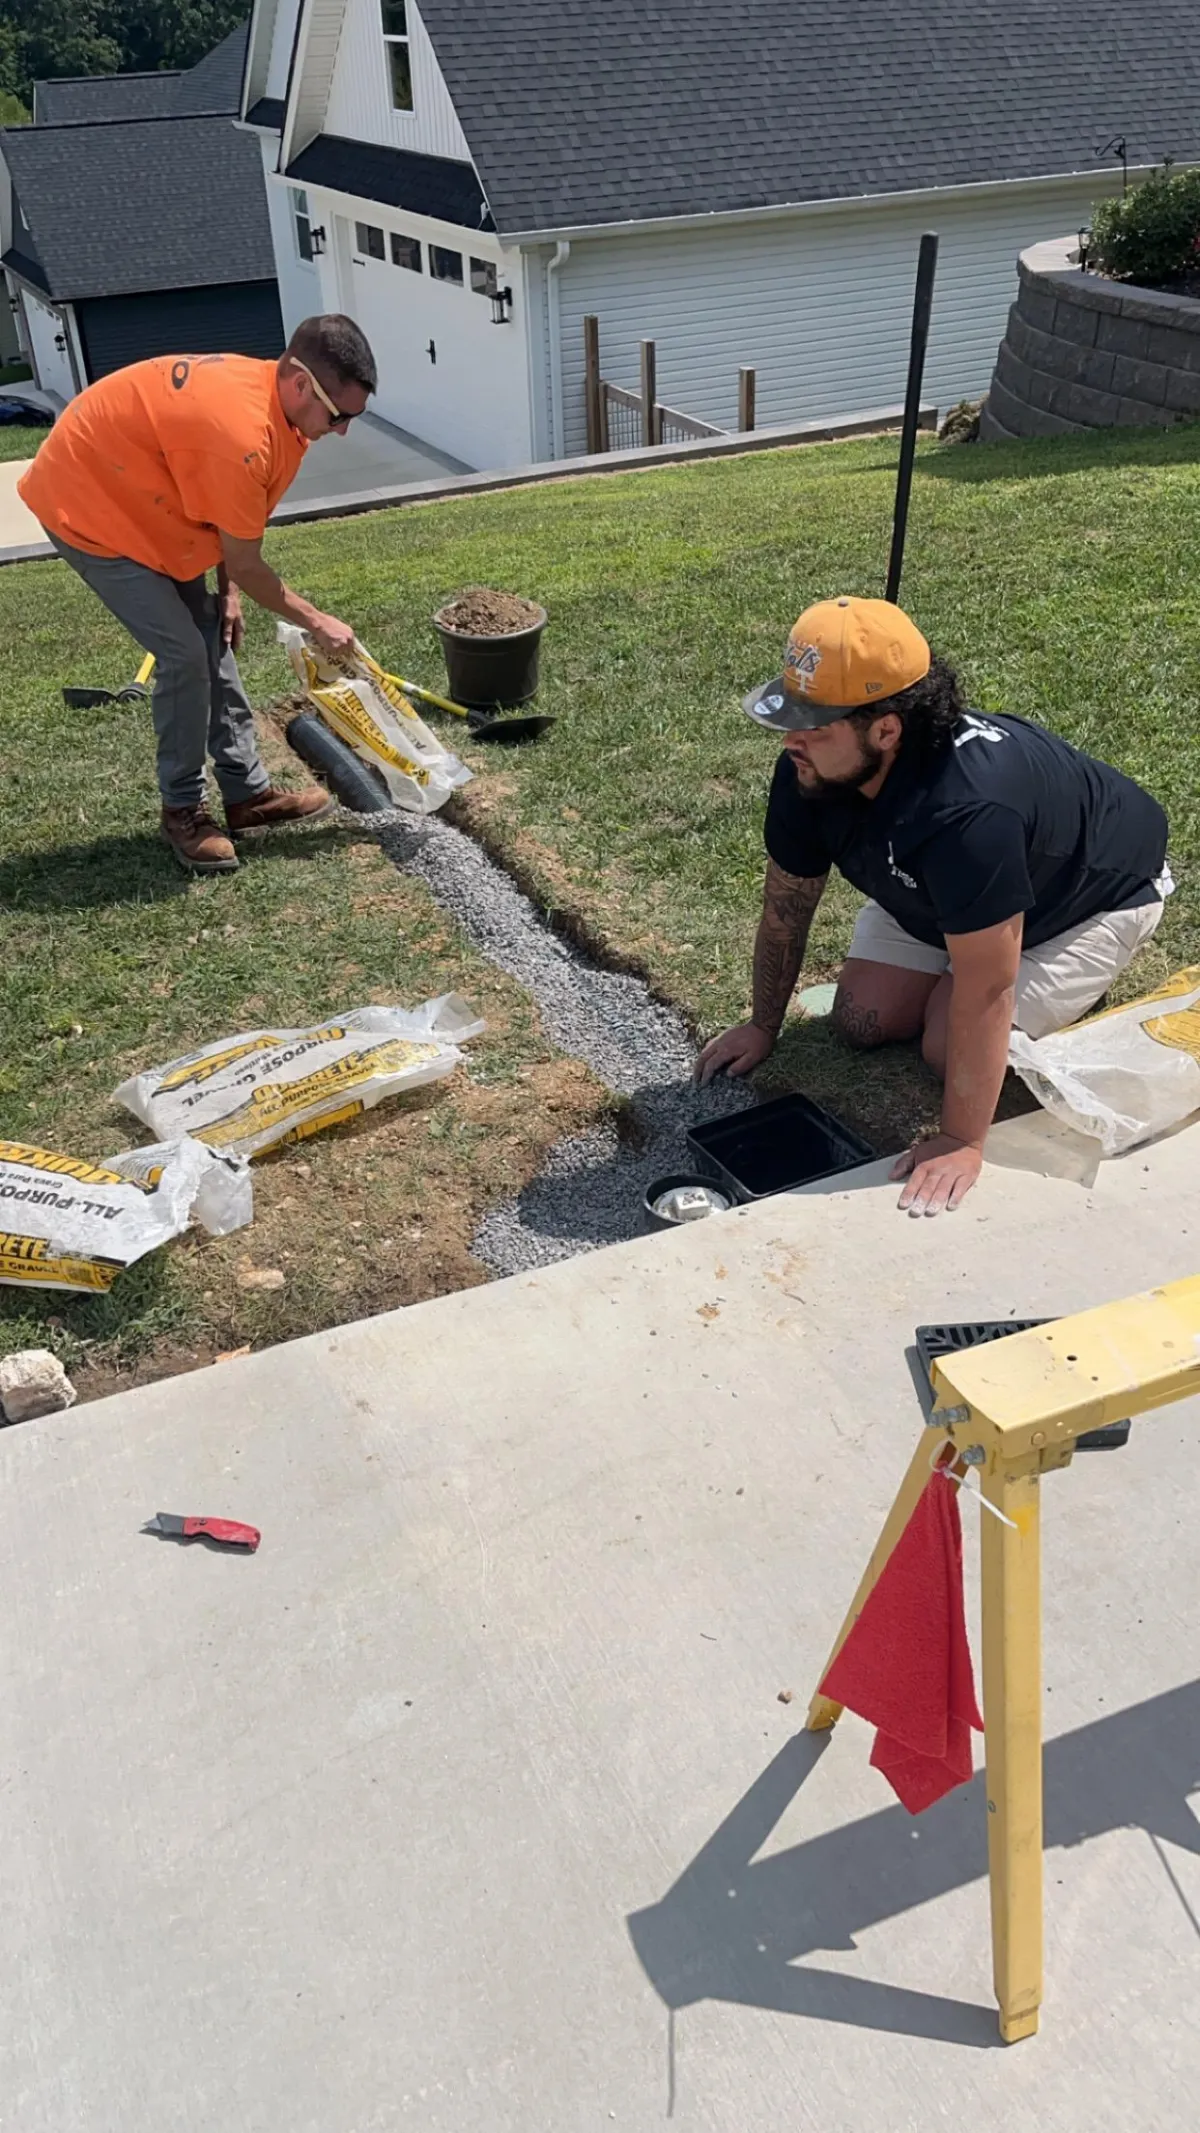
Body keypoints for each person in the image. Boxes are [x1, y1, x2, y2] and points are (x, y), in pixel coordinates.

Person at [696, 596, 1170, 1216]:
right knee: (861, 1021)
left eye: (814, 725)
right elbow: (788, 899)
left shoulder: (967, 812)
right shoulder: (811, 770)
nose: (791, 741)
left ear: (886, 729)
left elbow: (989, 989)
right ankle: (955, 940)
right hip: (937, 882)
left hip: (1090, 898)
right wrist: (764, 1024)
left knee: (947, 1047)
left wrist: (961, 1140)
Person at [19, 315, 378, 875]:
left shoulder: (281, 415)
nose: (343, 430)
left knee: (213, 634)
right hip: (88, 504)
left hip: (154, 500)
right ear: (301, 383)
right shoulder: (240, 435)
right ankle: (182, 811)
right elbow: (247, 558)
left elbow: (229, 529)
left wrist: (226, 594)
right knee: (185, 654)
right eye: (339, 416)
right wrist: (317, 620)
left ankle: (247, 796)